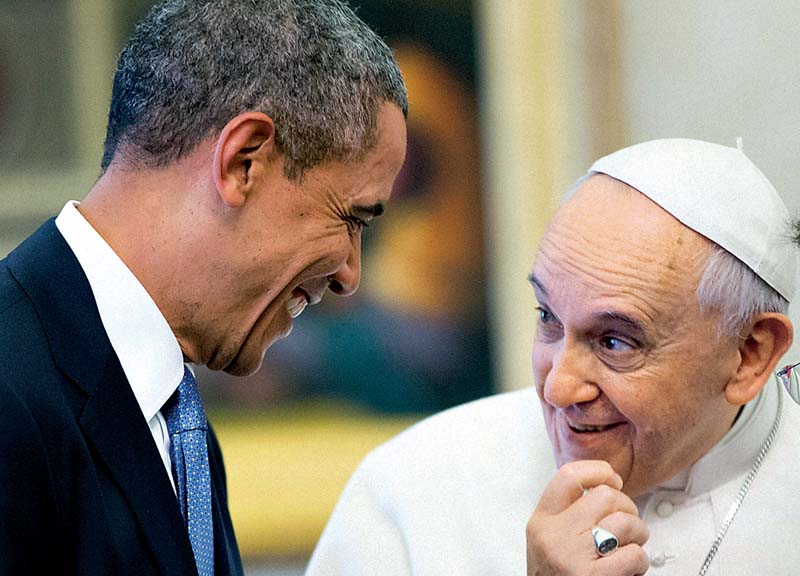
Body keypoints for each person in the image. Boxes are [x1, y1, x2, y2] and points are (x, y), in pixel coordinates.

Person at [0, 0, 407, 574]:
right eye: (352, 219)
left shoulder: (177, 425)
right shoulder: (11, 390)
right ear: (244, 161)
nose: (349, 275)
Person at [306, 138, 800, 576]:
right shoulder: (412, 486)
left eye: (614, 342)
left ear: (750, 355)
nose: (557, 388)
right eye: (547, 317)